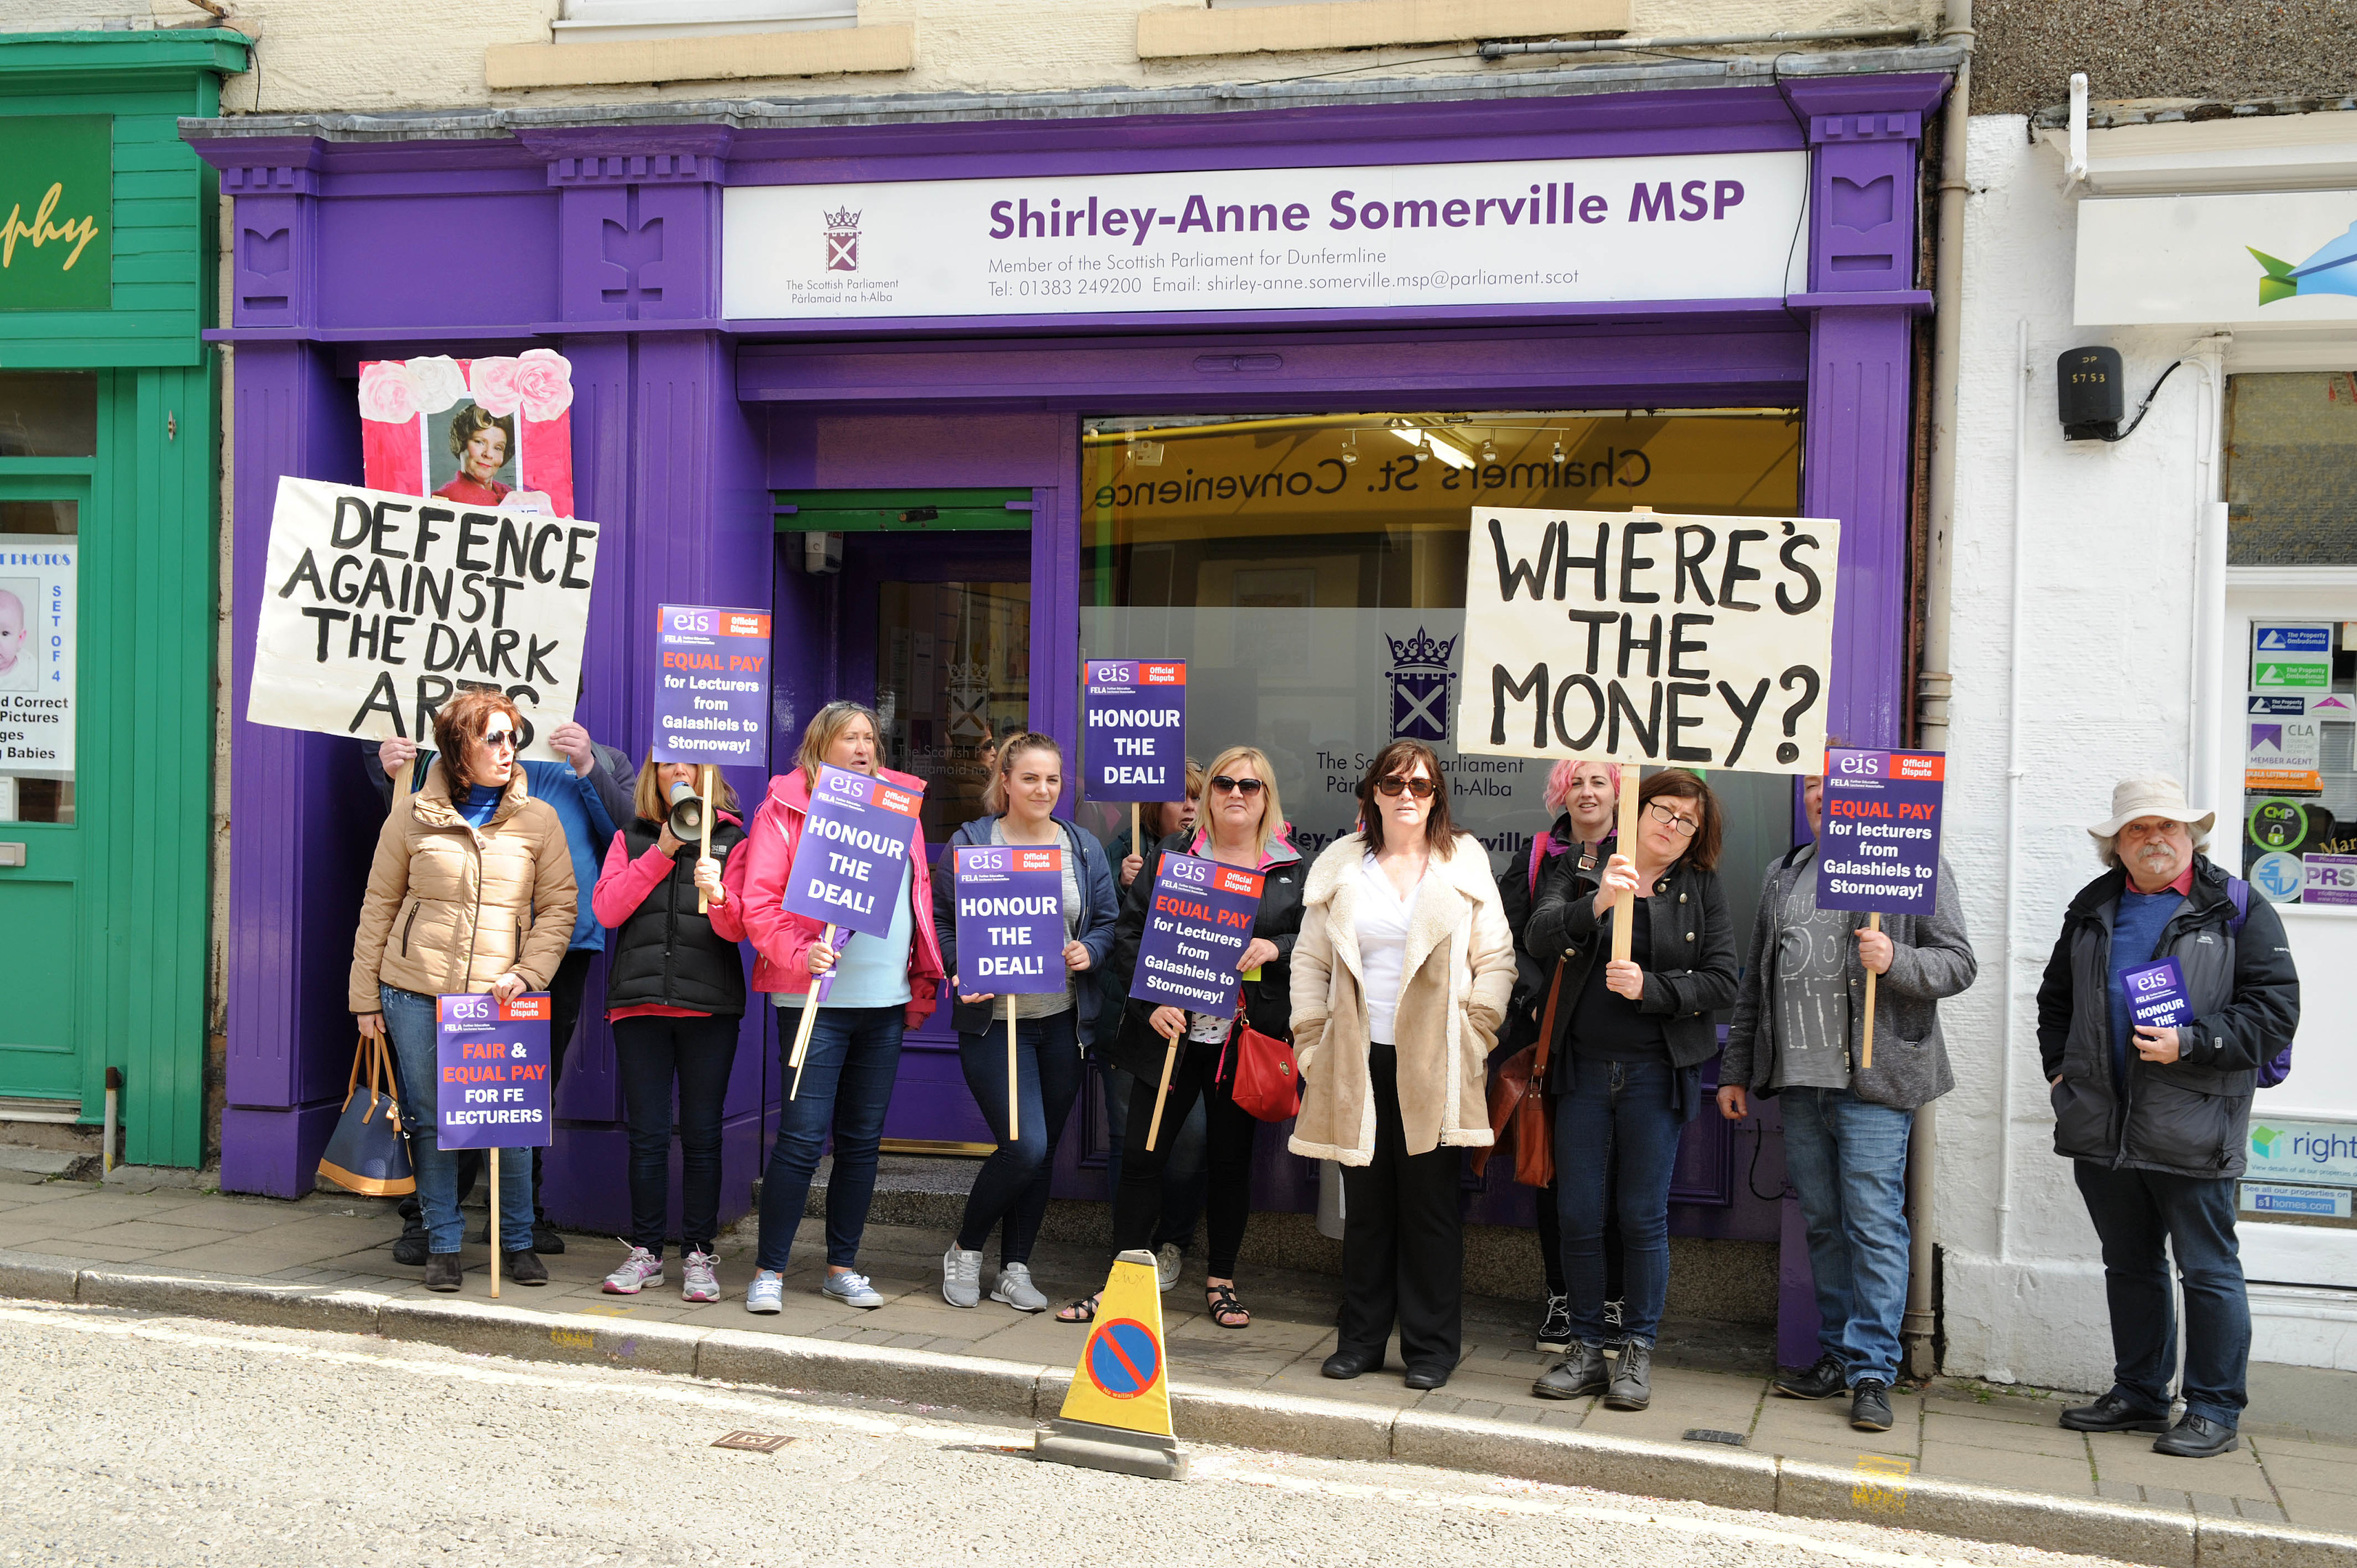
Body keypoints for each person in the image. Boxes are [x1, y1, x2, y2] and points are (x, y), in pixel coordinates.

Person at [2037, 776, 2299, 1459]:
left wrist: (2196, 1040)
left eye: (2167, 828)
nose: (2154, 839)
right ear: (2115, 845)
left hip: (2195, 1118)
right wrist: (2060, 1073)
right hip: (2101, 1119)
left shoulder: (2235, 906)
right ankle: (2142, 1393)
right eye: (2137, 829)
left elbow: (2275, 1012)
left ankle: (2213, 1407)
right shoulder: (2093, 906)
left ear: (2191, 837)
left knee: (2208, 1268)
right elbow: (2055, 999)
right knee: (2130, 1264)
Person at [1720, 769, 1976, 1433]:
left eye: (1834, 782)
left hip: (1874, 1081)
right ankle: (1837, 1352)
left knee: (1872, 1223)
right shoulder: (1785, 871)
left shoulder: (1910, 862)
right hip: (1801, 1078)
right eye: (1810, 785)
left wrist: (1895, 960)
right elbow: (1757, 981)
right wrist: (1736, 1070)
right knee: (1826, 1223)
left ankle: (1871, 1372)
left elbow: (1958, 963)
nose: (1821, 794)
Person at [1290, 740, 1515, 1390]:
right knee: (1366, 1209)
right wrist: (1312, 1044)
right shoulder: (1343, 867)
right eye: (1394, 785)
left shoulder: (1461, 866)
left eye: (1420, 785)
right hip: (1356, 1058)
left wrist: (1472, 1039)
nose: (1407, 796)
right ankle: (1360, 1341)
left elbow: (1496, 961)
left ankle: (1431, 1350)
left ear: (1437, 795)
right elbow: (1310, 962)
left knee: (1431, 1210)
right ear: (1374, 795)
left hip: (1435, 1063)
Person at [375, 714, 632, 1260]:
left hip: (555, 954)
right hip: (454, 956)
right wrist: (388, 772)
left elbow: (630, 834)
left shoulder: (601, 758)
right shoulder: (448, 756)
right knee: (446, 1094)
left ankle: (518, 1221)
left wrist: (588, 765)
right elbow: (408, 845)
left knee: (520, 1094)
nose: (504, 744)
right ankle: (428, 1221)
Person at [1063, 745, 1303, 1329]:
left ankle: (1220, 1281)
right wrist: (1152, 1002)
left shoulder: (1292, 868)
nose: (1236, 795)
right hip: (1170, 1033)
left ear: (1267, 796)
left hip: (1241, 1041)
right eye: (1224, 784)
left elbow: (1317, 942)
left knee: (1228, 1162)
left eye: (1250, 786)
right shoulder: (1175, 852)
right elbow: (1129, 934)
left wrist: (1277, 949)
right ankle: (1122, 1283)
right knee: (1144, 1155)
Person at [348, 687, 577, 1293]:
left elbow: (559, 909)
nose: (508, 750)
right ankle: (443, 1243)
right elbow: (378, 906)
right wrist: (364, 998)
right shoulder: (411, 816)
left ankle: (518, 1240)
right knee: (433, 1121)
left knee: (510, 1122)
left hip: (502, 998)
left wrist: (527, 975)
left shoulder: (539, 819)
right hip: (415, 992)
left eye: (513, 737)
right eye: (493, 738)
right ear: (457, 749)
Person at [1525, 768, 1738, 1413]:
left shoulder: (1699, 887)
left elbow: (1724, 980)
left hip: (1655, 1075)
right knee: (1578, 1213)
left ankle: (1637, 1349)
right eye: (1664, 811)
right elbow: (1537, 935)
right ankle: (1587, 1348)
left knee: (1641, 1216)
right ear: (1638, 808)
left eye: (1687, 821)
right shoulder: (1586, 864)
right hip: (1584, 1072)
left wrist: (1654, 989)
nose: (1672, 828)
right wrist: (1595, 904)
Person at [730, 701, 944, 1315]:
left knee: (862, 1142)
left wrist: (922, 971)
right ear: (820, 745)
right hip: (813, 1000)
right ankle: (769, 1269)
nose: (862, 746)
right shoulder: (786, 807)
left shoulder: (901, 806)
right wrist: (800, 954)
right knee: (800, 1138)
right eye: (848, 737)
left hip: (884, 999)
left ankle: (841, 1267)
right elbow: (759, 903)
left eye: (870, 737)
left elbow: (918, 891)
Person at [937, 732, 1120, 1312]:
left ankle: (1016, 1267)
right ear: (1007, 782)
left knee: (1041, 1154)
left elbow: (1108, 922)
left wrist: (1090, 949)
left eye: (1053, 780)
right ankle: (965, 1249)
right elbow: (939, 923)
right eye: (1031, 778)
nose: (1044, 790)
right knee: (1025, 1144)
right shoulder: (971, 844)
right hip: (997, 1022)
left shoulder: (1082, 846)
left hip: (1062, 1022)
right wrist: (961, 969)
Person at [590, 759, 749, 1304]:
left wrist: (721, 893)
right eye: (665, 763)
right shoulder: (629, 837)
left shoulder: (732, 838)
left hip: (708, 1009)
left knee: (703, 1136)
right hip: (640, 1007)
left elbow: (740, 929)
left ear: (708, 772)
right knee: (649, 1136)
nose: (676, 770)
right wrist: (659, 853)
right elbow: (607, 911)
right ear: (652, 775)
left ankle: (700, 1255)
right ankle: (647, 1253)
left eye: (689, 762)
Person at [1498, 759, 1627, 1355]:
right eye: (1575, 782)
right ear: (1561, 792)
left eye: (1598, 780)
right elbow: (1512, 936)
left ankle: (1613, 1301)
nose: (1586, 792)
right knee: (1553, 1174)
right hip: (1553, 1038)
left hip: (1622, 1039)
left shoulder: (1641, 852)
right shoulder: (1540, 859)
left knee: (1621, 1179)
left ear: (1617, 791)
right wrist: (1529, 1000)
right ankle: (1560, 1297)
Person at [1095, 761, 1210, 1290]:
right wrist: (1126, 887)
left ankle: (1173, 1242)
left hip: (1192, 1031)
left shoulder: (1213, 860)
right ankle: (1129, 1253)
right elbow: (1109, 933)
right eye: (1179, 798)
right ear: (1151, 807)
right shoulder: (1123, 852)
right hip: (1131, 1024)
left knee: (1189, 1145)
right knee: (1132, 1145)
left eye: (1197, 797)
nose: (1189, 807)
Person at [435, 405, 515, 506]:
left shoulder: (508, 493)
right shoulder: (445, 498)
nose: (488, 454)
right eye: (480, 442)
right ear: (462, 442)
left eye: (498, 448)